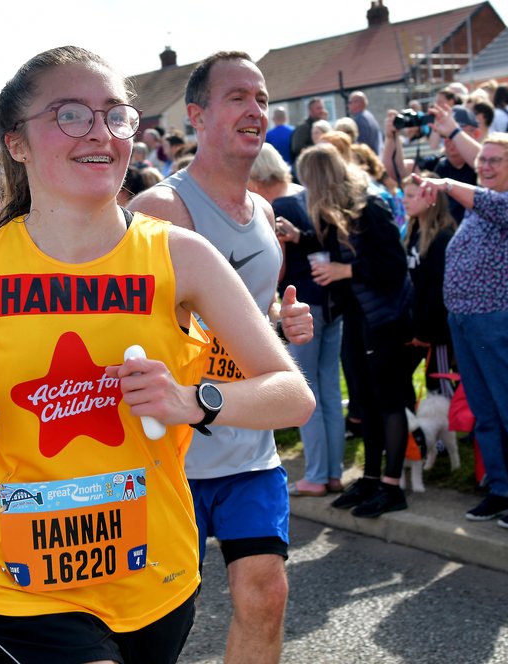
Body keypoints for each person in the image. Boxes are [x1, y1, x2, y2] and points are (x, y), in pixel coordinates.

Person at [0, 46, 313, 664]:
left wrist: (193, 400)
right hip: (22, 578)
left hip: (155, 568)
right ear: (17, 144)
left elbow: (291, 394)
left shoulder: (181, 256)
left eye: (115, 115)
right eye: (70, 115)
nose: (101, 133)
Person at [130, 52, 315, 664]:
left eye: (261, 98)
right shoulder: (160, 210)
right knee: (156, 622)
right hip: (169, 454)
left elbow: (248, 318)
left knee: (266, 593)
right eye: (237, 97)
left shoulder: (265, 212)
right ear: (197, 114)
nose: (255, 110)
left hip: (246, 447)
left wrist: (279, 325)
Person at [415, 133, 508, 529]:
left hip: (504, 320)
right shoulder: (483, 207)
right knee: (487, 412)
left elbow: (486, 200)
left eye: (496, 161)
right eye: (484, 161)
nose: (486, 167)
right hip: (469, 321)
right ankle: (501, 489)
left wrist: (446, 183)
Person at [296, 143, 415, 520]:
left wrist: (346, 272)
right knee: (366, 401)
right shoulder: (338, 215)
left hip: (384, 320)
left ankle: (392, 486)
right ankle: (372, 476)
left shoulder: (372, 208)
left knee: (389, 401)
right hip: (357, 318)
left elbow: (393, 267)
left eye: (307, 183)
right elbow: (339, 248)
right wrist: (302, 238)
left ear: (320, 181)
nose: (304, 191)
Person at [251, 144, 346, 498]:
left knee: (310, 393)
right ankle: (333, 473)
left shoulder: (278, 208)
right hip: (332, 303)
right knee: (330, 392)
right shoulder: (307, 195)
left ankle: (317, 475)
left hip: (302, 308)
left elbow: (278, 266)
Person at [400, 173, 456, 396]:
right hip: (415, 324)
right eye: (405, 195)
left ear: (431, 198)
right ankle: (419, 428)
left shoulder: (442, 237)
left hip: (436, 330)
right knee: (399, 375)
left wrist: (425, 330)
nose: (405, 200)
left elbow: (438, 290)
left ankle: (453, 427)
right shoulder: (412, 233)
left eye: (411, 196)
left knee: (439, 383)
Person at [290, 97, 327, 165]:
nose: (322, 111)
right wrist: (317, 148)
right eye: (318, 108)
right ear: (310, 110)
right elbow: (297, 148)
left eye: (322, 108)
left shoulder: (324, 124)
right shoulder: (303, 127)